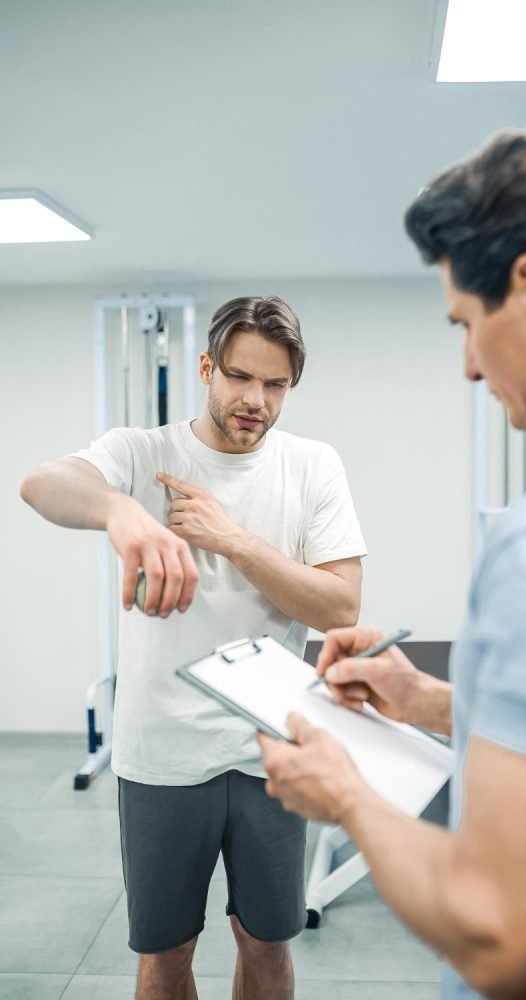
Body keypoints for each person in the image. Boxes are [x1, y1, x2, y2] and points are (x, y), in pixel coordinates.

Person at [258, 132, 526, 1000]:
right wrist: (435, 703)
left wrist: (346, 797)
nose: (470, 366)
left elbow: (511, 940)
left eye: (466, 325)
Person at [20, 294, 366, 1000]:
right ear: (207, 367)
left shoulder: (311, 465)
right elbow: (41, 484)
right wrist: (121, 511)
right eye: (240, 377)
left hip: (272, 748)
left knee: (267, 944)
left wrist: (232, 541)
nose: (255, 401)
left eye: (275, 385)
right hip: (162, 751)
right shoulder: (144, 452)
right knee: (167, 952)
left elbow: (340, 606)